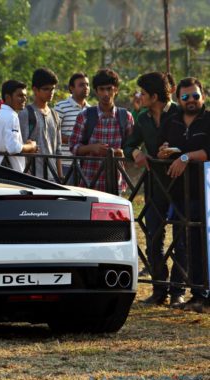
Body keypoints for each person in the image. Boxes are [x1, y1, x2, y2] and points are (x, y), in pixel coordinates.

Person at [123, 72, 180, 303]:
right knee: (153, 236)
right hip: (154, 185)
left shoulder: (179, 113)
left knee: (181, 239)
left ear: (154, 96)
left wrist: (176, 151)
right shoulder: (144, 118)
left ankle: (177, 292)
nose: (140, 96)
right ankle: (159, 290)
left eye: (143, 93)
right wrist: (136, 152)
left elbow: (192, 143)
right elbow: (128, 144)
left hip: (181, 185)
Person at [157, 77, 210, 313]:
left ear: (203, 96)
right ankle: (193, 294)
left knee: (204, 244)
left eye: (195, 96)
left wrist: (186, 157)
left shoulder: (208, 120)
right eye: (185, 97)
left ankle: (203, 295)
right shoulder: (171, 122)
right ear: (178, 98)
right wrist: (163, 151)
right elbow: (161, 147)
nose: (191, 101)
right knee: (183, 244)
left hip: (205, 192)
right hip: (179, 194)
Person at [69, 68, 134, 192]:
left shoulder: (126, 117)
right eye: (102, 89)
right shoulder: (85, 116)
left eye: (109, 89)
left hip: (116, 182)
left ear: (116, 90)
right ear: (96, 91)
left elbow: (131, 149)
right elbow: (73, 147)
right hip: (89, 182)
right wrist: (92, 148)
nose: (106, 94)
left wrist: (121, 152)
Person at [18, 68, 63, 180]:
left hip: (53, 177)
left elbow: (58, 150)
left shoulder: (55, 115)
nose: (50, 92)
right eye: (46, 89)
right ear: (35, 90)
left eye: (52, 89)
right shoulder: (26, 114)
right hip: (32, 178)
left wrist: (61, 176)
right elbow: (21, 148)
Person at [0, 80, 37, 170]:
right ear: (7, 97)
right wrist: (31, 146)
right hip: (10, 172)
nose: (24, 99)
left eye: (25, 96)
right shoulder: (12, 116)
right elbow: (13, 147)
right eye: (20, 95)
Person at [55, 72, 90, 160]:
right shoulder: (60, 107)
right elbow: (53, 134)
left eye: (87, 84)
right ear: (71, 88)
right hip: (64, 163)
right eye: (81, 85)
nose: (86, 87)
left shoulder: (91, 110)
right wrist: (74, 140)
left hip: (84, 164)